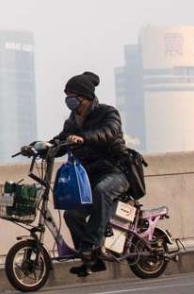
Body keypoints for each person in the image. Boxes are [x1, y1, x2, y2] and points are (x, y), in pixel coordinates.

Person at [53, 71, 128, 277]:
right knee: (71, 214)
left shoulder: (107, 113)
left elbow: (109, 132)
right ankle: (89, 259)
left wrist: (84, 138)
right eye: (67, 96)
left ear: (85, 97)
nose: (69, 101)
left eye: (72, 96)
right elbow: (61, 141)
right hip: (88, 177)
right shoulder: (72, 122)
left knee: (101, 191)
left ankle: (91, 245)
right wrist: (40, 147)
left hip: (115, 171)